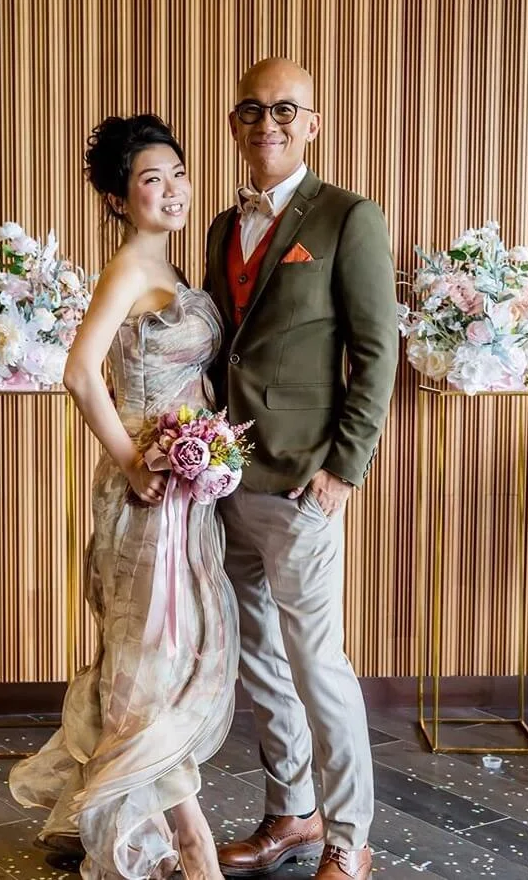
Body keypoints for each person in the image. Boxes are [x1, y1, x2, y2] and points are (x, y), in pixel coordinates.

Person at [9, 114, 238, 880]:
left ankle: (94, 812)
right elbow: (80, 372)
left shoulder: (170, 268)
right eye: (151, 180)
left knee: (160, 656)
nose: (172, 191)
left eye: (178, 174)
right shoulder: (129, 270)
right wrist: (134, 463)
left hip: (189, 490)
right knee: (150, 660)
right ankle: (193, 842)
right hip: (148, 499)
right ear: (117, 198)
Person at [204, 58, 399, 880]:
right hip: (226, 483)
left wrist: (343, 472)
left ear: (312, 124)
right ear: (235, 125)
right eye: (252, 110)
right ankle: (293, 814)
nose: (268, 124)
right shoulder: (222, 225)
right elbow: (226, 350)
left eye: (286, 110)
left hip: (303, 482)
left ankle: (350, 838)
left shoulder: (349, 216)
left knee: (318, 663)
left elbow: (377, 352)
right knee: (259, 659)